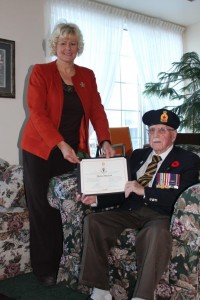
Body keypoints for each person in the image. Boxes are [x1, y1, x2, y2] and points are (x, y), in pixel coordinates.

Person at [20, 21, 115, 287]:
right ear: (54, 46)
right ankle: (45, 268)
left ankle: (70, 263)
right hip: (40, 149)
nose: (68, 48)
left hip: (73, 152)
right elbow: (37, 114)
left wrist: (106, 139)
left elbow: (97, 110)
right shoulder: (41, 72)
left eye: (73, 43)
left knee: (73, 204)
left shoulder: (87, 75)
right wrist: (59, 144)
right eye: (63, 43)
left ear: (78, 47)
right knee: (42, 209)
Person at [78, 109, 200, 300]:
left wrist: (145, 191)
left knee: (156, 233)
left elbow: (181, 196)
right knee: (94, 221)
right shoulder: (138, 155)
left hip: (161, 214)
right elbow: (122, 188)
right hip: (130, 211)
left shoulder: (187, 160)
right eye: (151, 130)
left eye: (162, 130)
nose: (156, 135)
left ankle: (142, 296)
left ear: (174, 135)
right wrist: (98, 199)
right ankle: (100, 290)